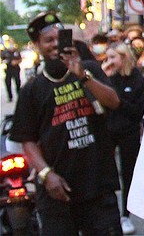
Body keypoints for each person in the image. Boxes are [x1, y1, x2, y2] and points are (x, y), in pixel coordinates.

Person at [9, 12, 122, 235]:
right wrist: (46, 174)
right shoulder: (32, 89)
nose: (55, 45)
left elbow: (114, 102)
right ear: (37, 46)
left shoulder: (90, 69)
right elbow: (27, 140)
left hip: (97, 186)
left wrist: (82, 75)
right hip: (57, 195)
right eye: (48, 41)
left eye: (59, 38)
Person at [102, 43, 144, 235]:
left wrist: (118, 102)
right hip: (108, 131)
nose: (110, 62)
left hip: (128, 132)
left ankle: (125, 215)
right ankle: (109, 214)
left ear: (123, 57)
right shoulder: (107, 79)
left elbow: (136, 111)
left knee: (129, 173)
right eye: (108, 58)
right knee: (106, 173)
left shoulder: (137, 79)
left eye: (113, 57)